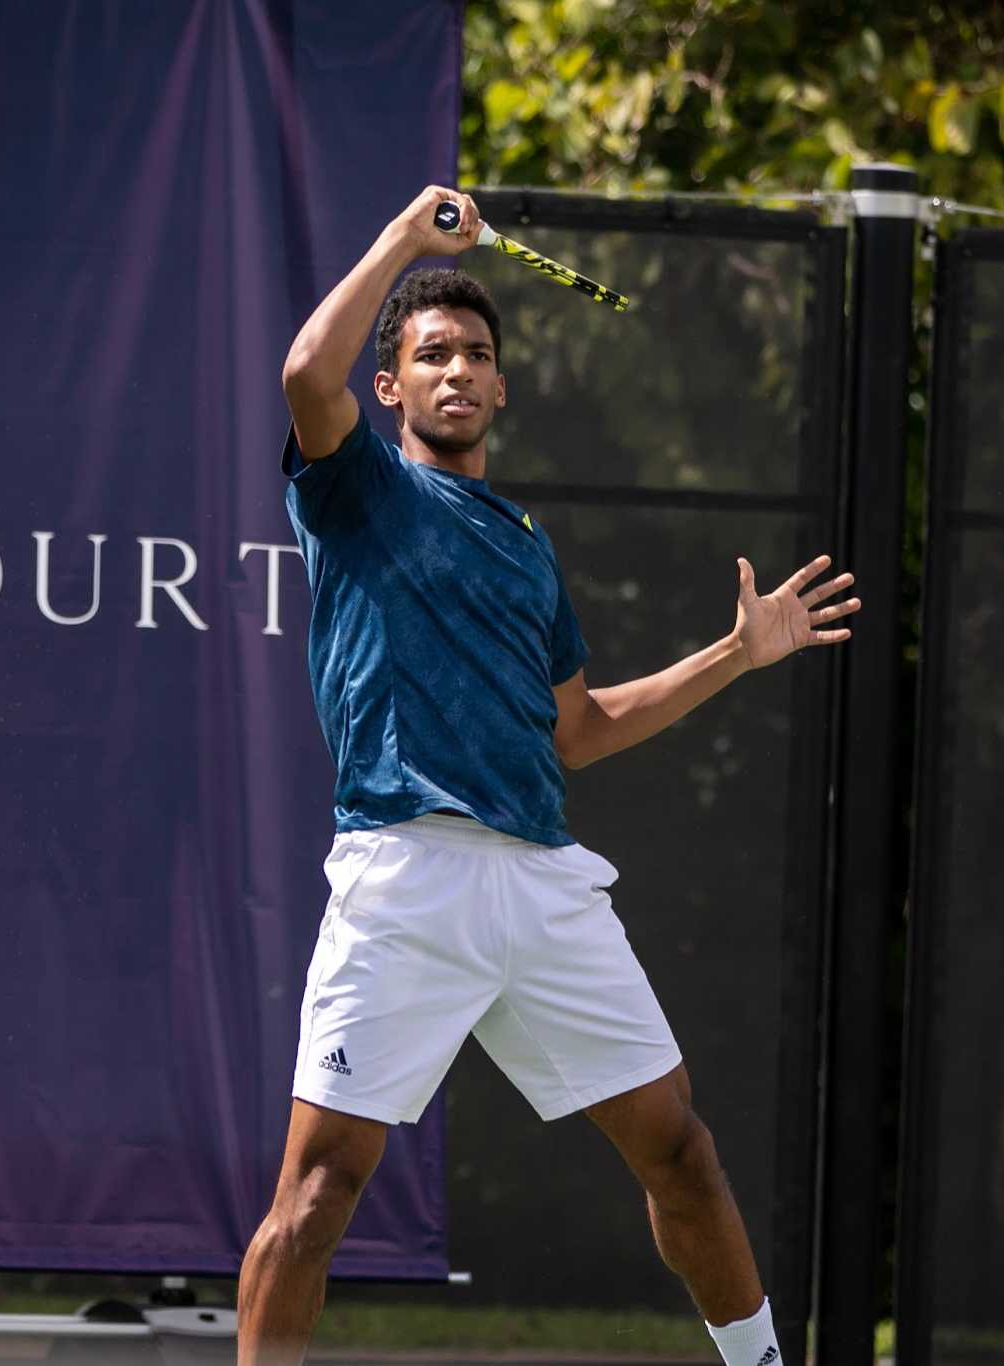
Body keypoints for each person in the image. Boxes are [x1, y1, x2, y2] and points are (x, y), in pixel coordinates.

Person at [237, 185, 860, 1366]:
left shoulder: (526, 548)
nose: (456, 369)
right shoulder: (354, 486)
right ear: (394, 388)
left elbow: (577, 726)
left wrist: (735, 653)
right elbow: (303, 374)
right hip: (404, 875)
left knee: (680, 1151)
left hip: (542, 884)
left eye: (475, 353)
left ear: (501, 385)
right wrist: (403, 242)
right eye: (430, 355)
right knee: (316, 1195)